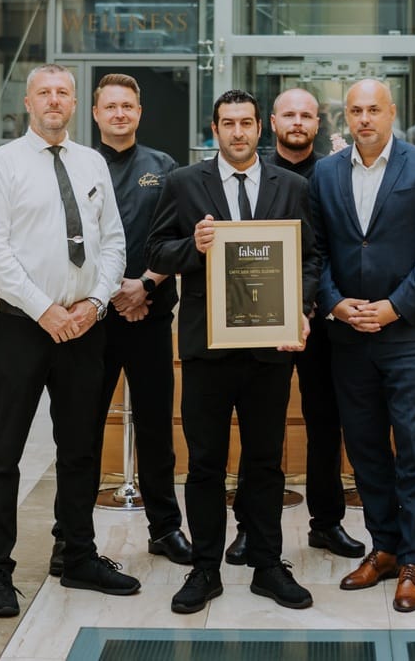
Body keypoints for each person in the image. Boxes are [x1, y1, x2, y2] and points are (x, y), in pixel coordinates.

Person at [0, 63, 139, 618]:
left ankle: (78, 556)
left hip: (84, 327)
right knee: (5, 453)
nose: (53, 101)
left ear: (74, 104)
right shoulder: (1, 164)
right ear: (28, 103)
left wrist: (93, 304)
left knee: (81, 448)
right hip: (24, 327)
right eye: (44, 93)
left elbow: (112, 242)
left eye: (62, 93)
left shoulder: (90, 162)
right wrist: (46, 311)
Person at [146, 89, 320, 614]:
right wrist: (191, 248)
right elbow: (155, 251)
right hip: (207, 349)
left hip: (270, 345)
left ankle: (268, 565)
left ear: (259, 129)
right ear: (215, 129)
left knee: (266, 462)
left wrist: (303, 309)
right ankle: (204, 568)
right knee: (204, 464)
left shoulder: (290, 185)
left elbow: (311, 259)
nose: (239, 132)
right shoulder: (182, 183)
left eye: (247, 123)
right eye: (228, 123)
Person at [309, 78, 415, 612]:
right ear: (344, 117)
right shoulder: (326, 172)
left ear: (392, 112)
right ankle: (384, 546)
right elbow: (316, 249)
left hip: (410, 333)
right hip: (349, 334)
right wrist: (334, 303)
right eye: (355, 110)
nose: (365, 118)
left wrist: (397, 305)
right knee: (366, 446)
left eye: (374, 108)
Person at [48, 73, 191, 578]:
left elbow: (179, 238)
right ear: (94, 112)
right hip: (90, 320)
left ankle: (165, 528)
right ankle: (70, 538)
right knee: (80, 430)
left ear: (139, 111)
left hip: (150, 314)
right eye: (110, 106)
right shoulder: (75, 164)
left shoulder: (163, 168)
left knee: (156, 427)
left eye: (128, 106)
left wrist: (144, 287)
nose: (119, 114)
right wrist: (111, 295)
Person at [225, 87, 364, 566]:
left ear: (318, 121)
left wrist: (310, 305)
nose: (298, 122)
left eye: (307, 115)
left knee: (326, 424)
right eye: (289, 114)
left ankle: (326, 523)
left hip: (321, 319)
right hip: (262, 320)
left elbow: (330, 248)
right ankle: (250, 528)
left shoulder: (335, 171)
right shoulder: (253, 172)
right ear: (271, 122)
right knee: (262, 430)